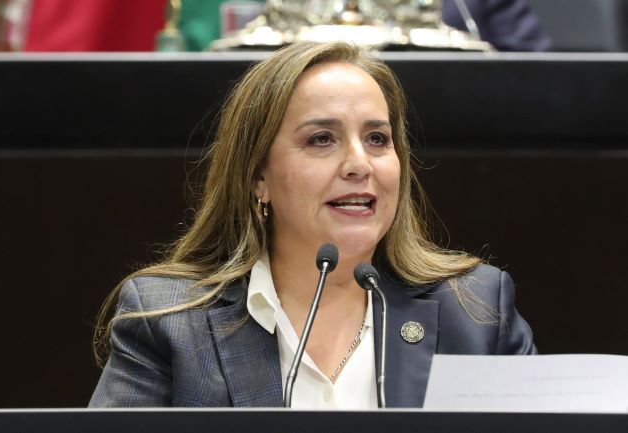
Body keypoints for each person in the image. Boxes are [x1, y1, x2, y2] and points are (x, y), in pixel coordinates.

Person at [89, 41, 536, 409]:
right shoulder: (171, 322)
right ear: (258, 176)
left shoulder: (474, 313)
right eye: (322, 139)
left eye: (377, 139)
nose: (359, 163)